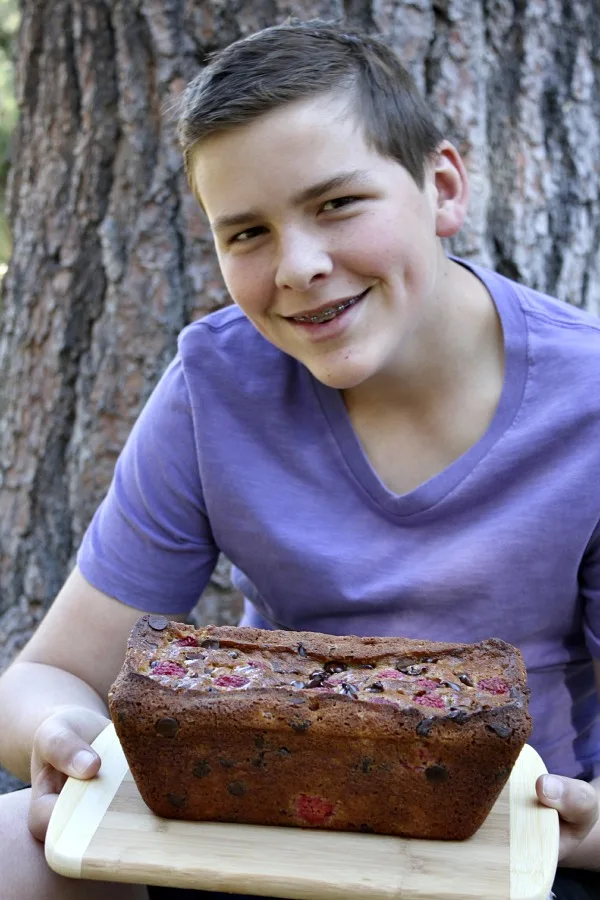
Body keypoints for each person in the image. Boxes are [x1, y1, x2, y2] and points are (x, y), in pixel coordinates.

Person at [0, 17, 599, 900]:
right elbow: (48, 675)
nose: (300, 266)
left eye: (337, 204)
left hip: (507, 850)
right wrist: (68, 740)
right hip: (251, 817)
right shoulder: (216, 386)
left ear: (441, 187)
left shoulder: (586, 405)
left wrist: (575, 832)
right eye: (246, 233)